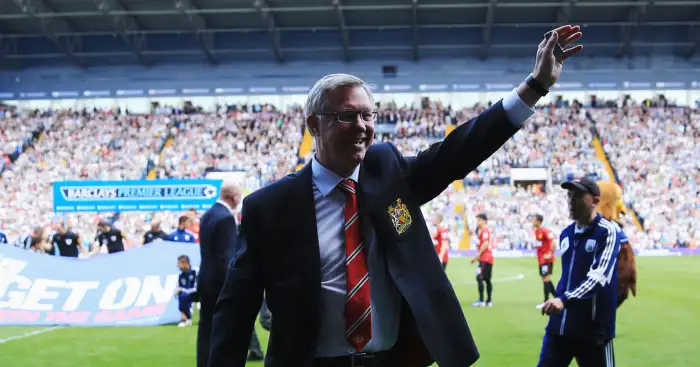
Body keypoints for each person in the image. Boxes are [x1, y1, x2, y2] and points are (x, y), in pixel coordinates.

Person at [210, 25, 584, 367]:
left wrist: (535, 86)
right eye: (346, 116)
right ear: (314, 125)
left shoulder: (387, 170)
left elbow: (460, 150)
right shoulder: (269, 207)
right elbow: (236, 309)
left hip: (393, 360)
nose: (362, 127)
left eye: (367, 115)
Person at [538, 178, 622, 367]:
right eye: (569, 195)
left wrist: (564, 300)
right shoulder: (566, 234)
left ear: (595, 200)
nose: (571, 201)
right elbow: (567, 278)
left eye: (578, 196)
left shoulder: (608, 232)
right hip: (560, 327)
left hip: (593, 331)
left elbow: (598, 277)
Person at [197, 181, 263, 367]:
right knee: (226, 329)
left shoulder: (207, 215)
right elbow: (227, 256)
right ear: (233, 197)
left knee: (206, 329)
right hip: (220, 282)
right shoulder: (226, 218)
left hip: (206, 279)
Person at [532, 214, 557, 308]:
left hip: (546, 259)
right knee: (545, 279)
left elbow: (554, 242)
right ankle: (557, 297)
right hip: (541, 259)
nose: (532, 222)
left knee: (545, 278)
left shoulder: (544, 231)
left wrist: (551, 253)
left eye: (534, 220)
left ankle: (546, 301)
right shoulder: (537, 231)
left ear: (539, 221)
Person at [470, 213, 494, 307]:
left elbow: (485, 243)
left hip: (485, 258)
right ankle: (488, 301)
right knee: (486, 279)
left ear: (484, 220)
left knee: (480, 277)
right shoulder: (481, 231)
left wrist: (477, 256)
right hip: (486, 259)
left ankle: (482, 300)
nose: (477, 222)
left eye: (478, 220)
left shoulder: (485, 230)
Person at [175, 255, 198, 327]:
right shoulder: (181, 275)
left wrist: (183, 290)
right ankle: (186, 319)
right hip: (188, 294)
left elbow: (198, 287)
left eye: (179, 263)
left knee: (183, 294)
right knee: (181, 295)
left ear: (184, 263)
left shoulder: (195, 271)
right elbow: (179, 287)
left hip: (199, 293)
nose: (177, 265)